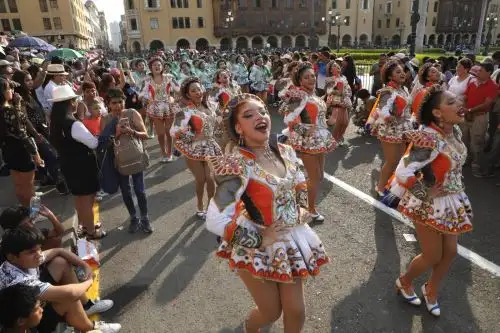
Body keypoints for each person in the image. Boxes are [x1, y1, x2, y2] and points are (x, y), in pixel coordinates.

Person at [206, 93, 329, 333]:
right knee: (271, 311)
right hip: (255, 244)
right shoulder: (237, 164)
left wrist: (302, 207)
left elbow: (301, 179)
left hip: (289, 239)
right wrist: (260, 238)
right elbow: (215, 219)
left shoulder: (285, 150)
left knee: (296, 311)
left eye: (262, 111)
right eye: (248, 115)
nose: (260, 117)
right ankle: (249, 329)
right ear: (238, 127)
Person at [388, 85, 472, 317]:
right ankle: (404, 282)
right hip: (428, 203)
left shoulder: (453, 131)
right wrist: (425, 192)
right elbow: (403, 172)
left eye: (458, 100)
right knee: (433, 255)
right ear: (437, 113)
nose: (459, 105)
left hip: (453, 199)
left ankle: (431, 290)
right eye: (452, 102)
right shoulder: (428, 139)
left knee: (451, 252)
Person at [0, 226, 120, 332]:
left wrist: (85, 266)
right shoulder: (20, 281)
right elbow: (71, 293)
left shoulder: (22, 261)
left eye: (39, 248)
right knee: (69, 298)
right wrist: (89, 280)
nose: (38, 254)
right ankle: (90, 328)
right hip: (30, 320)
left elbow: (59, 251)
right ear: (12, 257)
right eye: (32, 252)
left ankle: (87, 306)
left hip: (32, 303)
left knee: (60, 263)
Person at [279, 62, 336, 222]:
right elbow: (288, 119)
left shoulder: (314, 95)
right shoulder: (299, 95)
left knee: (319, 176)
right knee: (314, 177)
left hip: (320, 138)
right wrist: (304, 130)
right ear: (300, 80)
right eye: (306, 77)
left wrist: (329, 120)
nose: (311, 78)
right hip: (308, 141)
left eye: (312, 75)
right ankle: (310, 209)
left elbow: (317, 117)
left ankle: (300, 200)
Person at [49, 85, 105, 240]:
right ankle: (91, 231)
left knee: (79, 198)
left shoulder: (55, 123)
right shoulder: (73, 124)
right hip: (83, 164)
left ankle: (87, 225)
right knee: (87, 198)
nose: (75, 102)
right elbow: (93, 143)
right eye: (74, 100)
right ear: (70, 102)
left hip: (68, 164)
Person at [170, 77, 222, 219]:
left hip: (210, 146)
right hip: (193, 148)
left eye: (199, 89)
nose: (197, 92)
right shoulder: (185, 111)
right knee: (201, 179)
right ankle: (200, 205)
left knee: (211, 179)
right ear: (188, 95)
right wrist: (191, 137)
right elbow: (174, 131)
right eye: (193, 90)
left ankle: (210, 207)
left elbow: (219, 123)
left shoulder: (211, 105)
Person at [102, 88, 152, 234]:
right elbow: (103, 144)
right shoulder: (106, 119)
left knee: (140, 190)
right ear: (108, 104)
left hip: (136, 157)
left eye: (120, 102)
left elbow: (145, 135)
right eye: (114, 103)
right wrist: (116, 135)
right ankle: (133, 218)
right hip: (119, 161)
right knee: (125, 191)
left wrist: (132, 131)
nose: (117, 105)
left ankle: (145, 218)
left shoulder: (132, 113)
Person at [365, 60, 413, 196]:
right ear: (390, 76)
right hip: (390, 129)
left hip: (403, 128)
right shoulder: (387, 91)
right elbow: (383, 109)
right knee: (392, 161)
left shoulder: (403, 89)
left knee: (401, 161)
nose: (402, 74)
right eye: (398, 72)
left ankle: (393, 186)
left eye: (402, 71)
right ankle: (380, 187)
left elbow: (407, 109)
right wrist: (388, 116)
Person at [0, 78, 44, 207]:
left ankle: (25, 212)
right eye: (9, 88)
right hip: (21, 151)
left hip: (8, 151)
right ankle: (34, 214)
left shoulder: (6, 110)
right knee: (29, 187)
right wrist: (35, 154)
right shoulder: (11, 110)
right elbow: (22, 134)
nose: (12, 91)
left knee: (19, 186)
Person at [141, 57, 178, 163]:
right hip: (155, 107)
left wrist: (177, 95)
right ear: (150, 68)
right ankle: (163, 152)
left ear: (162, 67)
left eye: (159, 65)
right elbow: (143, 91)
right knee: (161, 133)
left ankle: (169, 153)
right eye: (154, 65)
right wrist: (141, 96)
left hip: (168, 106)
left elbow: (177, 88)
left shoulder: (169, 77)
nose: (157, 67)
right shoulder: (147, 80)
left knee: (168, 131)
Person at [0, 204, 64, 250]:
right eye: (24, 225)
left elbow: (59, 232)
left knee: (55, 241)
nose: (31, 225)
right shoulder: (10, 248)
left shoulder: (33, 232)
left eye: (30, 221)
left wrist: (51, 216)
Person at [324, 60, 352, 144]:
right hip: (336, 101)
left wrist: (346, 95)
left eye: (337, 65)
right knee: (339, 122)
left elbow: (349, 89)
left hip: (345, 101)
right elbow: (328, 91)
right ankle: (334, 139)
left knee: (345, 122)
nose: (337, 66)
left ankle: (340, 137)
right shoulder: (329, 80)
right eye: (334, 66)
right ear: (331, 70)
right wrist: (338, 93)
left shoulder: (344, 78)